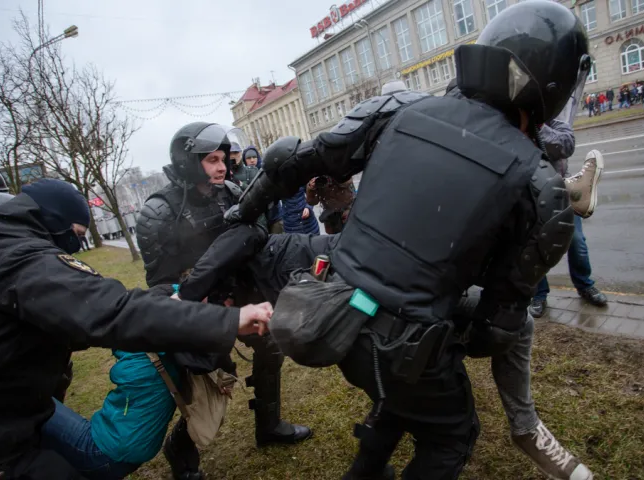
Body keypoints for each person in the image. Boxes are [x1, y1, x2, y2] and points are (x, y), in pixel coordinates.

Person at [224, 2, 592, 478]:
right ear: (556, 86)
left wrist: (240, 212)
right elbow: (495, 330)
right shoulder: (543, 187)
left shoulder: (398, 107)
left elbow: (289, 160)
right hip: (400, 343)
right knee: (451, 433)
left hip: (334, 316)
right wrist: (453, 321)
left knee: (402, 395)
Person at [0, 179, 272, 479]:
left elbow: (61, 323)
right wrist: (229, 320)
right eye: (75, 236)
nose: (76, 248)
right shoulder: (16, 261)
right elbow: (111, 312)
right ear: (53, 224)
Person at [134, 123, 311, 479]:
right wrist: (206, 303)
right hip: (197, 307)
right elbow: (162, 283)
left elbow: (255, 237)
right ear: (187, 160)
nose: (221, 167)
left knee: (270, 347)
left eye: (222, 159)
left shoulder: (230, 191)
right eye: (210, 160)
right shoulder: (158, 212)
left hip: (241, 293)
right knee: (213, 377)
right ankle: (182, 452)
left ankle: (269, 425)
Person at [530, 119, 608, 318]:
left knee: (576, 242)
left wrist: (539, 128)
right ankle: (539, 295)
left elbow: (565, 146)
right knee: (535, 247)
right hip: (533, 196)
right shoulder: (517, 127)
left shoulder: (556, 124)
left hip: (562, 191)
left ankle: (584, 286)